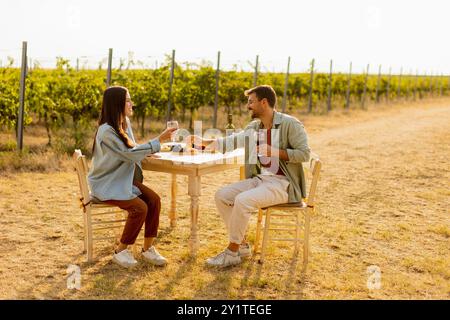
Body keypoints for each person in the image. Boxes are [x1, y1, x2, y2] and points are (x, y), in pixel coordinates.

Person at [185, 85, 311, 267]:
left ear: (264, 102)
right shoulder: (254, 127)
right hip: (261, 180)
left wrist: (274, 151)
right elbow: (231, 141)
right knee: (222, 195)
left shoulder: (290, 124)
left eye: (251, 102)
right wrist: (202, 143)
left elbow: (304, 154)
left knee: (243, 200)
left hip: (284, 184)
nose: (247, 106)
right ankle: (242, 245)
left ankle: (232, 252)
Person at [88, 86, 176, 268]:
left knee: (154, 200)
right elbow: (128, 154)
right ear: (117, 104)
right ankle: (120, 251)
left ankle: (148, 249)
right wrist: (157, 141)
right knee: (140, 208)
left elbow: (132, 148)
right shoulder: (106, 131)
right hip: (108, 183)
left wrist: (145, 152)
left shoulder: (123, 123)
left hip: (122, 179)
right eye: (127, 100)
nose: (131, 103)